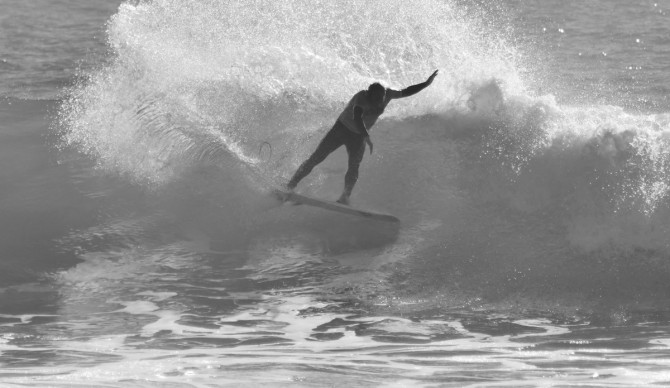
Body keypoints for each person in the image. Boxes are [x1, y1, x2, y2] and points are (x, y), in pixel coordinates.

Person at [285, 70, 439, 205]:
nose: (379, 103)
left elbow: (406, 91)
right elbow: (357, 117)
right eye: (375, 99)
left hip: (357, 137)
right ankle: (290, 186)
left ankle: (345, 197)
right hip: (341, 130)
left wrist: (426, 83)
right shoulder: (361, 97)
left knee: (354, 167)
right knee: (316, 158)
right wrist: (367, 136)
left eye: (381, 99)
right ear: (368, 94)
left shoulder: (388, 94)